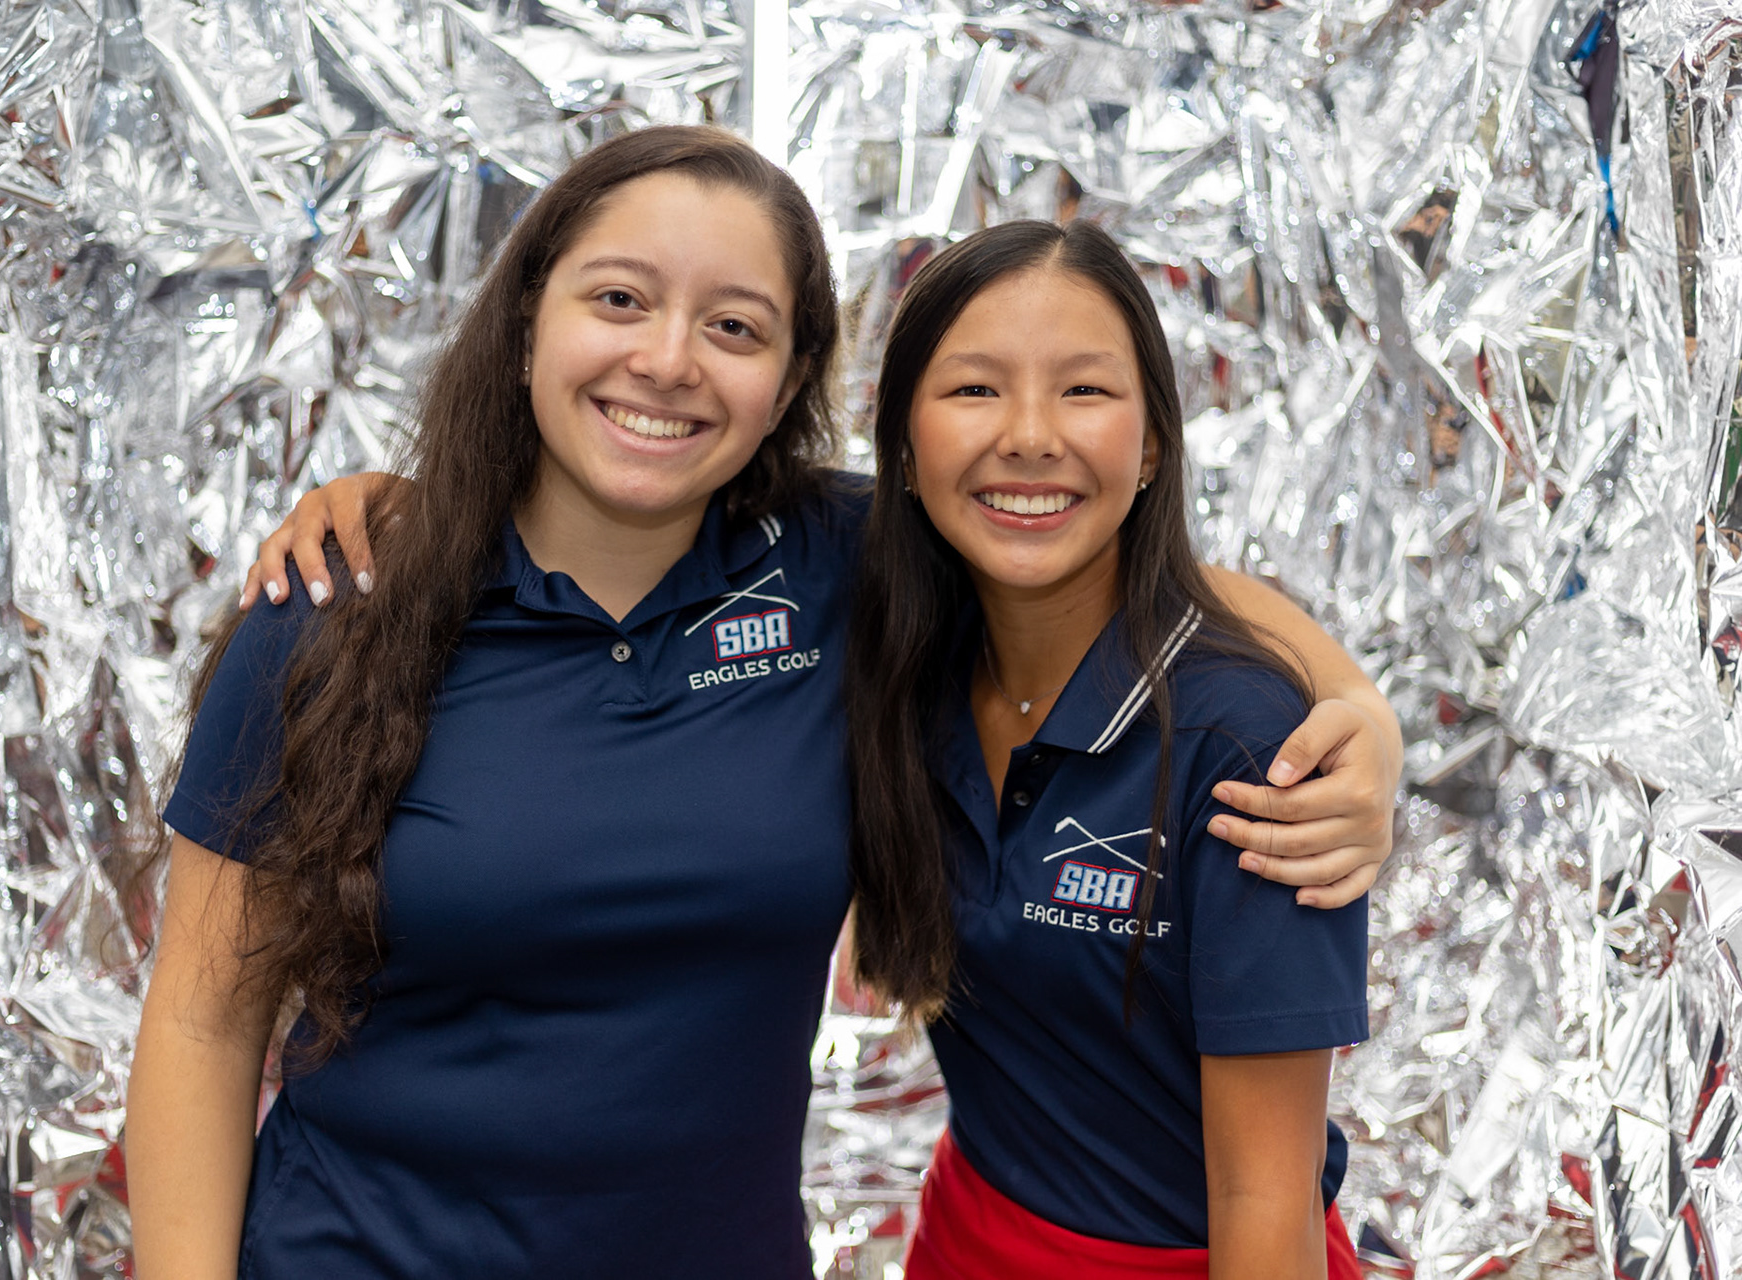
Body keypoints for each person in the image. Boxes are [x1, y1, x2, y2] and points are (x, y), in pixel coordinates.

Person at [145, 126, 1395, 1279]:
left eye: (736, 327)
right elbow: (202, 1025)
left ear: (793, 376)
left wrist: (1354, 708)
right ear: (531, 318)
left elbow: (1130, 576)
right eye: (620, 299)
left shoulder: (842, 569)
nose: (669, 360)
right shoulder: (338, 603)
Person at [845, 219, 1368, 1278]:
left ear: (1156, 442)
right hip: (964, 1240)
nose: (1031, 434)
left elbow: (1266, 1200)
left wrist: (1363, 708)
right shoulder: (898, 651)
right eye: (974, 389)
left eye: (1084, 390)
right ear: (903, 442)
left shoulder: (1245, 744)